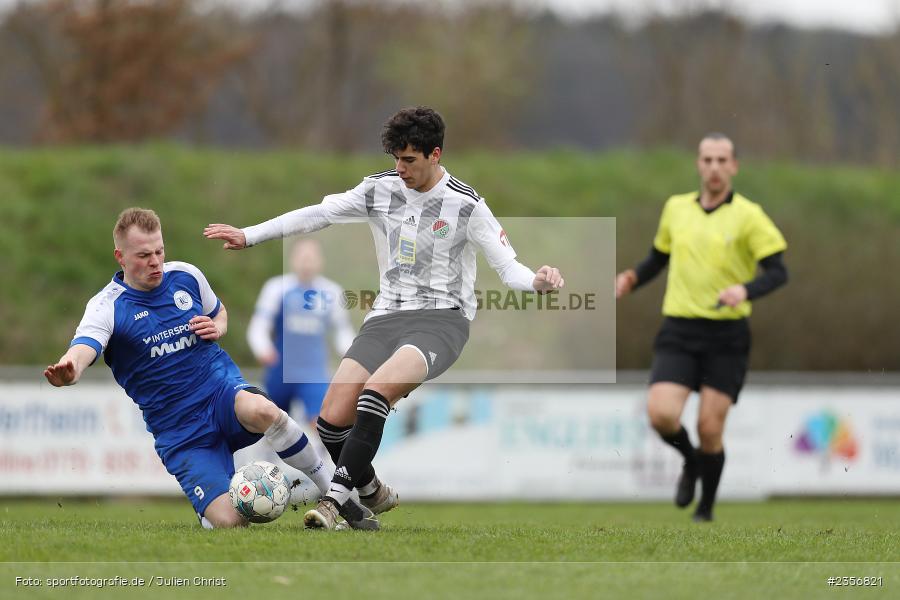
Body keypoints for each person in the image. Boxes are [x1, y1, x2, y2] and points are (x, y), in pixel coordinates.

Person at [205, 106, 565, 530]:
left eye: (409, 160)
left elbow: (509, 268)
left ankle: (337, 502)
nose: (400, 168)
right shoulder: (379, 189)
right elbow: (318, 214)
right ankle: (371, 490)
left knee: (375, 394)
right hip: (386, 316)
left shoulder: (466, 205)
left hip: (442, 321)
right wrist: (250, 235)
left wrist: (538, 282)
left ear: (435, 154)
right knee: (331, 419)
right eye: (395, 158)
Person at [44, 208, 377, 530]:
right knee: (231, 522)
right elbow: (85, 346)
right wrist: (71, 368)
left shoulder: (186, 276)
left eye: (159, 250)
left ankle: (334, 498)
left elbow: (219, 312)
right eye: (144, 255)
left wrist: (217, 327)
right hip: (181, 431)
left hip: (219, 392)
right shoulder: (107, 307)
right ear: (120, 257)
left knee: (263, 409)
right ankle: (211, 511)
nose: (155, 261)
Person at [615, 133, 788, 522]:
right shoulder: (676, 208)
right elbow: (658, 258)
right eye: (707, 159)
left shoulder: (749, 216)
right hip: (679, 329)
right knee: (660, 414)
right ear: (698, 164)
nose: (714, 167)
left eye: (721, 160)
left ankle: (704, 511)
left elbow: (779, 272)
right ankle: (690, 462)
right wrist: (632, 279)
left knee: (710, 427)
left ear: (734, 166)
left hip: (727, 336)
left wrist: (745, 289)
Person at [247, 238, 355, 428]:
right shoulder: (276, 288)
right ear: (292, 260)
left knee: (322, 421)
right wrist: (262, 349)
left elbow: (342, 331)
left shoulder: (331, 292)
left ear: (320, 261)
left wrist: (352, 357)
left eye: (311, 257)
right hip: (280, 369)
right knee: (272, 424)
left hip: (314, 371)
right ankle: (268, 455)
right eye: (302, 257)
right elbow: (258, 327)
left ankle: (323, 457)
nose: (306, 262)